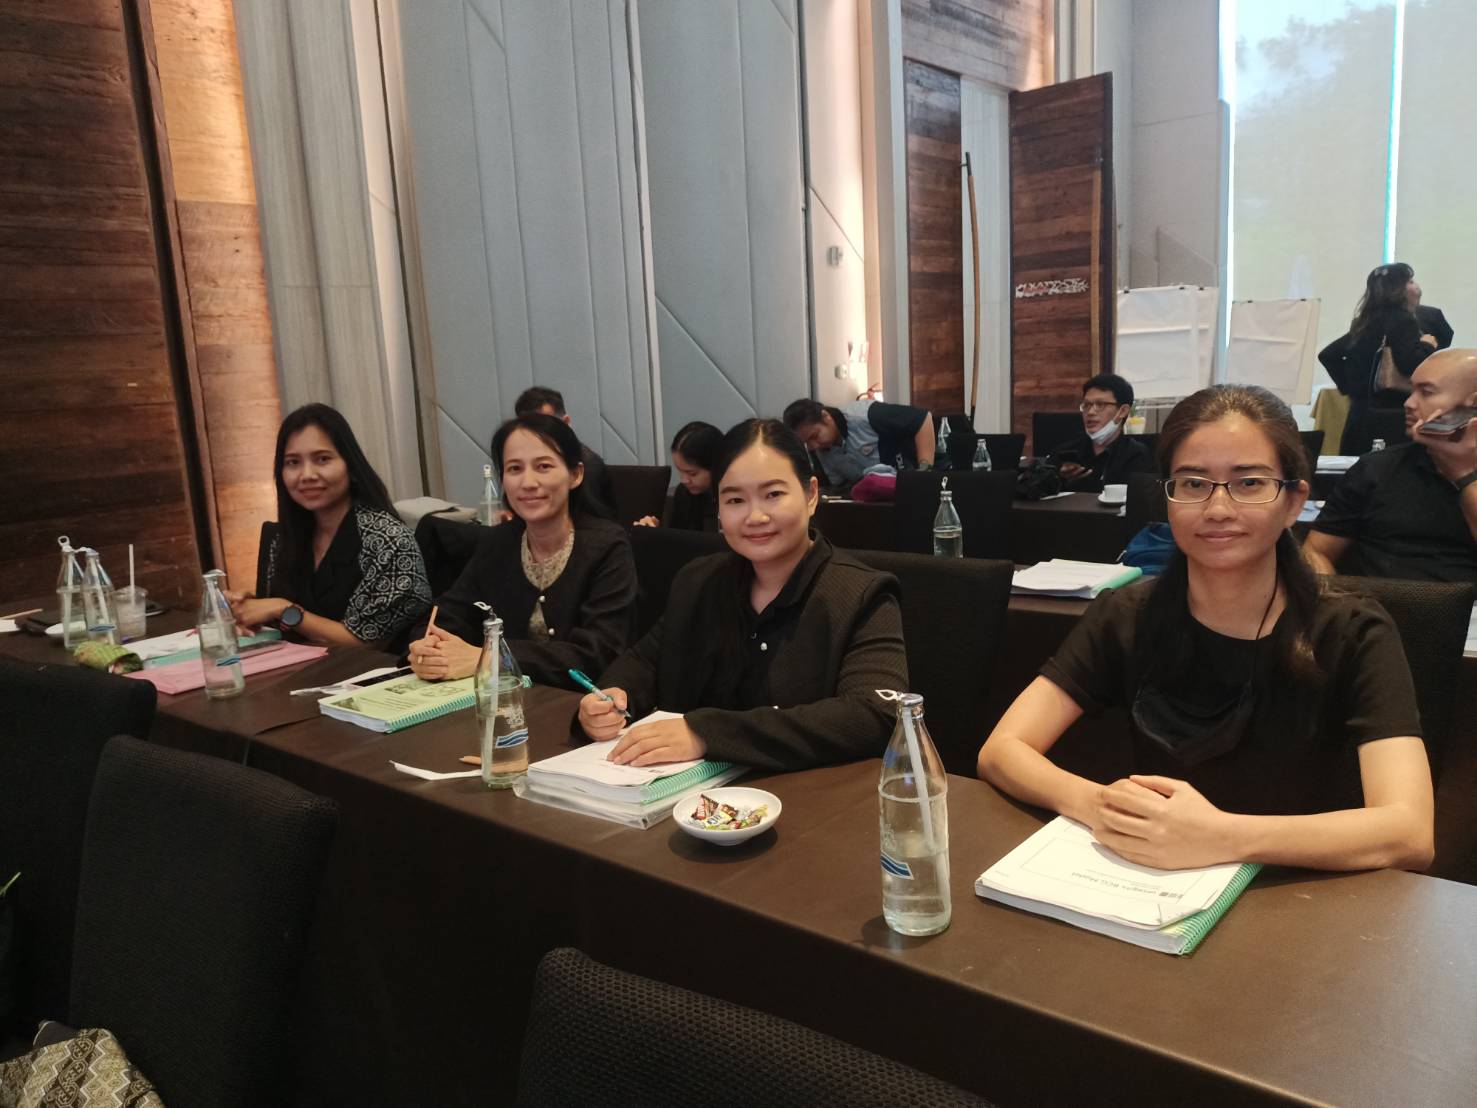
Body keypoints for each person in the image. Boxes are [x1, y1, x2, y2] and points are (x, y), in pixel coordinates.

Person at [977, 384, 1433, 873]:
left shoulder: (1352, 631)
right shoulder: (1129, 614)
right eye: (1193, 484)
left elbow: (1409, 832)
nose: (1217, 509)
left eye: (1249, 483)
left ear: (1293, 501)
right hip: (1157, 880)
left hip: (1300, 888)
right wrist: (1100, 806)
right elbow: (1001, 751)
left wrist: (1221, 836)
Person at [577, 419, 909, 770]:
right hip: (685, 794)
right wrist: (611, 696)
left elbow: (876, 715)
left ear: (811, 495)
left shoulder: (860, 594)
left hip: (806, 795)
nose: (755, 516)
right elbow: (646, 661)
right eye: (735, 499)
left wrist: (706, 734)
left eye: (773, 494)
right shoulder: (699, 580)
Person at [405, 412, 636, 689]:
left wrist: (490, 658)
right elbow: (447, 616)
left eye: (543, 466)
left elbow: (596, 654)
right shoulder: (498, 542)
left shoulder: (607, 547)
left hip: (581, 703)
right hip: (507, 699)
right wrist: (428, 646)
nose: (527, 482)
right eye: (514, 469)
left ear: (575, 475)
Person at [231, 404, 431, 645]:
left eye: (322, 459)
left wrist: (282, 609)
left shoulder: (388, 540)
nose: (307, 475)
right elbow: (281, 622)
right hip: (300, 663)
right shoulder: (286, 536)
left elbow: (363, 642)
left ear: (351, 467)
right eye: (293, 462)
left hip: (371, 666)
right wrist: (247, 609)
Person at [1304, 348, 1477, 583]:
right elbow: (1316, 551)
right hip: (1378, 603)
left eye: (1426, 392)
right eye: (1411, 390)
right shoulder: (1375, 469)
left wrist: (1463, 474)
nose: (1408, 403)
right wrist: (1331, 598)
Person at [1318, 263, 1441, 455]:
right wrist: (1427, 345)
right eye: (1410, 281)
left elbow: (1328, 355)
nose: (1416, 286)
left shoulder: (1365, 321)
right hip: (1391, 414)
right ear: (1398, 289)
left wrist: (1351, 387)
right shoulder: (1403, 320)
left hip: (1359, 414)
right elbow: (1409, 363)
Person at [783, 396, 935, 487]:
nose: (813, 446)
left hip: (915, 478)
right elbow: (836, 486)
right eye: (806, 443)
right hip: (880, 501)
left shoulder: (866, 415)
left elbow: (922, 419)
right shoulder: (821, 452)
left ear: (826, 417)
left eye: (814, 436)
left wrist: (924, 472)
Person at [514, 386, 617, 518]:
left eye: (544, 426)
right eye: (527, 428)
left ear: (566, 422)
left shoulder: (588, 465)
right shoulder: (521, 464)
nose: (535, 435)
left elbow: (588, 521)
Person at [1046, 373, 1155, 492]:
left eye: (1100, 404)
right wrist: (1058, 480)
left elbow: (1140, 499)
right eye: (1086, 405)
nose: (1090, 412)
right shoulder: (1064, 452)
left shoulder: (1137, 455)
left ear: (1123, 411)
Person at [634, 420, 722, 531]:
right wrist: (656, 533)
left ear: (716, 466)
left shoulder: (731, 498)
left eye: (692, 473)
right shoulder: (683, 493)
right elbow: (679, 536)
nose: (684, 480)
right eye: (680, 470)